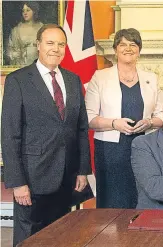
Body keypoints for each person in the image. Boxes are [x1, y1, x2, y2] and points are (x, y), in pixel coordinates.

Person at [1, 24, 91, 246]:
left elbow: (81, 128)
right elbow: (9, 135)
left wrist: (82, 170)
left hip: (66, 177)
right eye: (50, 43)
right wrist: (17, 183)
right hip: (32, 179)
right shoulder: (18, 80)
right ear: (38, 45)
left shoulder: (73, 80)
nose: (56, 49)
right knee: (30, 239)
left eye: (61, 44)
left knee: (62, 236)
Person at [85, 28, 163, 209]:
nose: (128, 48)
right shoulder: (100, 77)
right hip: (110, 150)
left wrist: (149, 122)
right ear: (115, 49)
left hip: (144, 147)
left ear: (139, 49)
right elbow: (89, 118)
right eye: (123, 44)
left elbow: (161, 116)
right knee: (113, 202)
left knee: (142, 197)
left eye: (133, 44)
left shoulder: (151, 78)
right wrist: (114, 123)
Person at [7, 1, 44, 65]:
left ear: (34, 11)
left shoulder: (42, 28)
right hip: (22, 65)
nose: (25, 13)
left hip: (39, 64)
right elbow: (10, 50)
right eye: (23, 11)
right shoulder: (16, 30)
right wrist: (15, 54)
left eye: (28, 10)